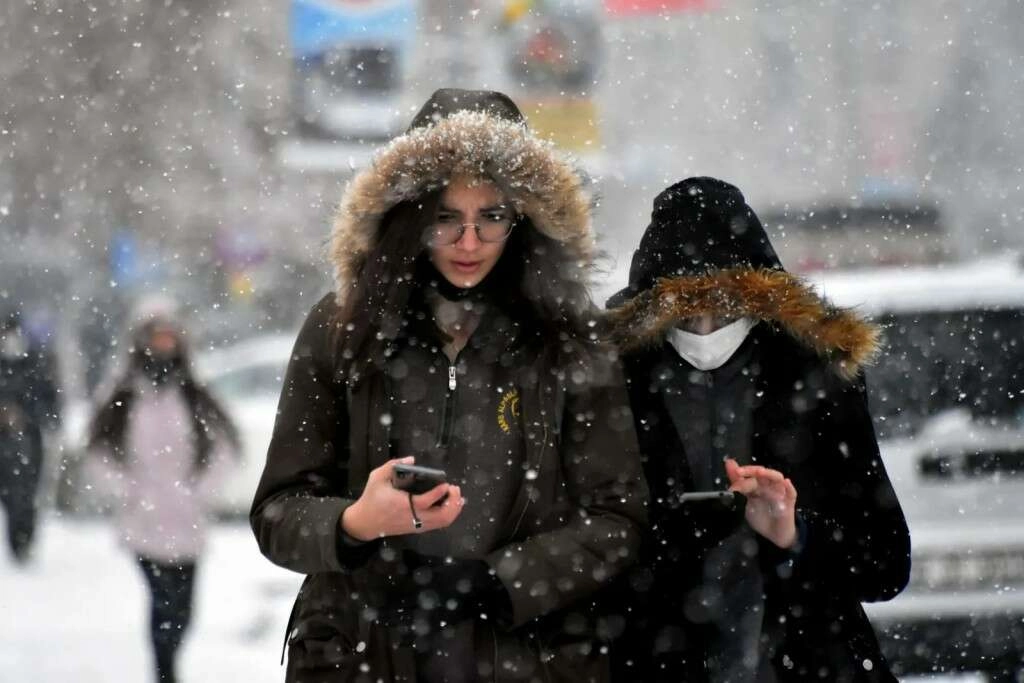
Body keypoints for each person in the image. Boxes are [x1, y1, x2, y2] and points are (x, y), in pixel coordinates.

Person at [250, 88, 647, 683]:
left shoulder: (571, 338)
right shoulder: (340, 328)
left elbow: (617, 521)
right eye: (445, 217)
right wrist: (357, 522)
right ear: (409, 216)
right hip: (365, 654)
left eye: (491, 216)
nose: (469, 242)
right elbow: (278, 513)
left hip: (525, 658)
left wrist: (497, 581)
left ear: (526, 220)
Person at [604, 177, 911, 682]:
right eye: (685, 311)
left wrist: (794, 532)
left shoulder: (817, 379)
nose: (706, 330)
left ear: (760, 301)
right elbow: (580, 554)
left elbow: (885, 562)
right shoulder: (610, 383)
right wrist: (659, 542)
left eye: (725, 306)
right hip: (653, 660)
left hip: (807, 660)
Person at [87, 304, 240, 683]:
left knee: (185, 610)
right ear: (143, 342)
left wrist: (200, 492)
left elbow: (225, 448)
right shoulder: (123, 395)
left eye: (171, 337)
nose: (164, 345)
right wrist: (128, 491)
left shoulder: (194, 395)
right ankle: (164, 672)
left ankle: (168, 663)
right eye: (157, 337)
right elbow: (97, 452)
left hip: (188, 522)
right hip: (144, 521)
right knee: (161, 603)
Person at [0, 308, 60, 564]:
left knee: (25, 493)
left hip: (27, 440)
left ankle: (23, 541)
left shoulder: (35, 364)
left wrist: (25, 415)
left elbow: (50, 404)